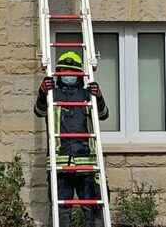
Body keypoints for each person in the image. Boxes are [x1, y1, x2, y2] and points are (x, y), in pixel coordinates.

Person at [35, 51, 108, 227]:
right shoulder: (53, 94)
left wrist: (98, 97)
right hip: (60, 163)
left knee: (93, 210)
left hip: (87, 162)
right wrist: (42, 92)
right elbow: (39, 112)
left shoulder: (87, 94)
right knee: (61, 212)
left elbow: (103, 115)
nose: (68, 74)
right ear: (59, 73)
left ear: (79, 74)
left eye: (72, 71)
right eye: (64, 71)